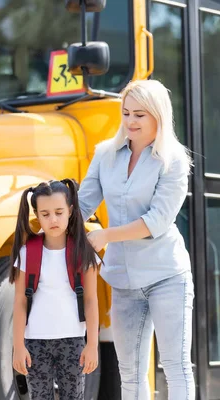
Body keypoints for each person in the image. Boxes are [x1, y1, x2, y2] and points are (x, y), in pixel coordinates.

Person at [77, 79, 195, 400]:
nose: (130, 122)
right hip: (123, 279)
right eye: (126, 113)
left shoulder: (174, 162)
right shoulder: (105, 155)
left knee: (175, 366)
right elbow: (82, 204)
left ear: (159, 116)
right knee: (129, 375)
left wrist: (104, 235)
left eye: (140, 115)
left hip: (166, 276)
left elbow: (156, 220)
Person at [10, 179, 101, 400]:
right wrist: (18, 345)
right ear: (36, 215)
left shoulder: (83, 252)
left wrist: (92, 345)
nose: (53, 219)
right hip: (35, 342)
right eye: (45, 213)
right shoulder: (26, 252)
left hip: (73, 340)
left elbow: (90, 300)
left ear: (70, 211)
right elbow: (21, 302)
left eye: (59, 212)